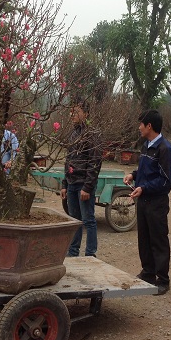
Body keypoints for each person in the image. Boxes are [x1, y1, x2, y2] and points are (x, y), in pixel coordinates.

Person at [123, 109, 171, 296]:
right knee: (144, 238)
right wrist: (134, 175)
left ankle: (163, 279)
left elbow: (165, 181)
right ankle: (148, 272)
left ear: (149, 126)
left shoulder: (165, 150)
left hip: (156, 202)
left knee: (158, 239)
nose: (139, 127)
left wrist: (144, 188)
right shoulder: (146, 146)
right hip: (143, 201)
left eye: (141, 124)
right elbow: (146, 172)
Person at [61, 101, 102, 257]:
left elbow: (95, 162)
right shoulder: (73, 134)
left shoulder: (92, 134)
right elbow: (68, 160)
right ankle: (73, 251)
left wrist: (88, 187)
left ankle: (90, 254)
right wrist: (64, 183)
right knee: (74, 220)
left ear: (86, 114)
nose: (73, 115)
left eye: (76, 111)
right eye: (71, 111)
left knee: (88, 220)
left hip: (83, 185)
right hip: (71, 183)